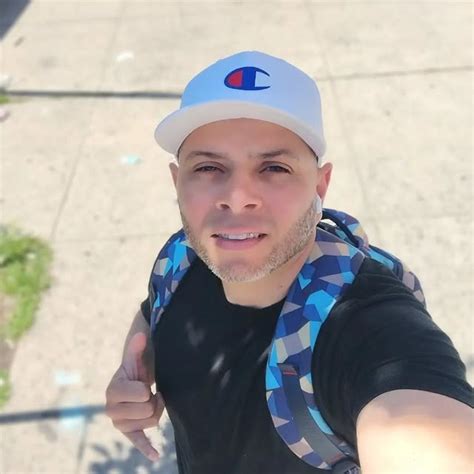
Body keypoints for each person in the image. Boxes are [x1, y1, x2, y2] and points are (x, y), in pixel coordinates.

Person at [105, 51, 473, 473]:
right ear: (177, 182)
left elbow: (421, 428)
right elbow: (155, 309)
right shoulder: (179, 259)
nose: (237, 197)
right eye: (208, 167)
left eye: (274, 168)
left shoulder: (369, 329)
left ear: (320, 185)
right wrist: (134, 374)